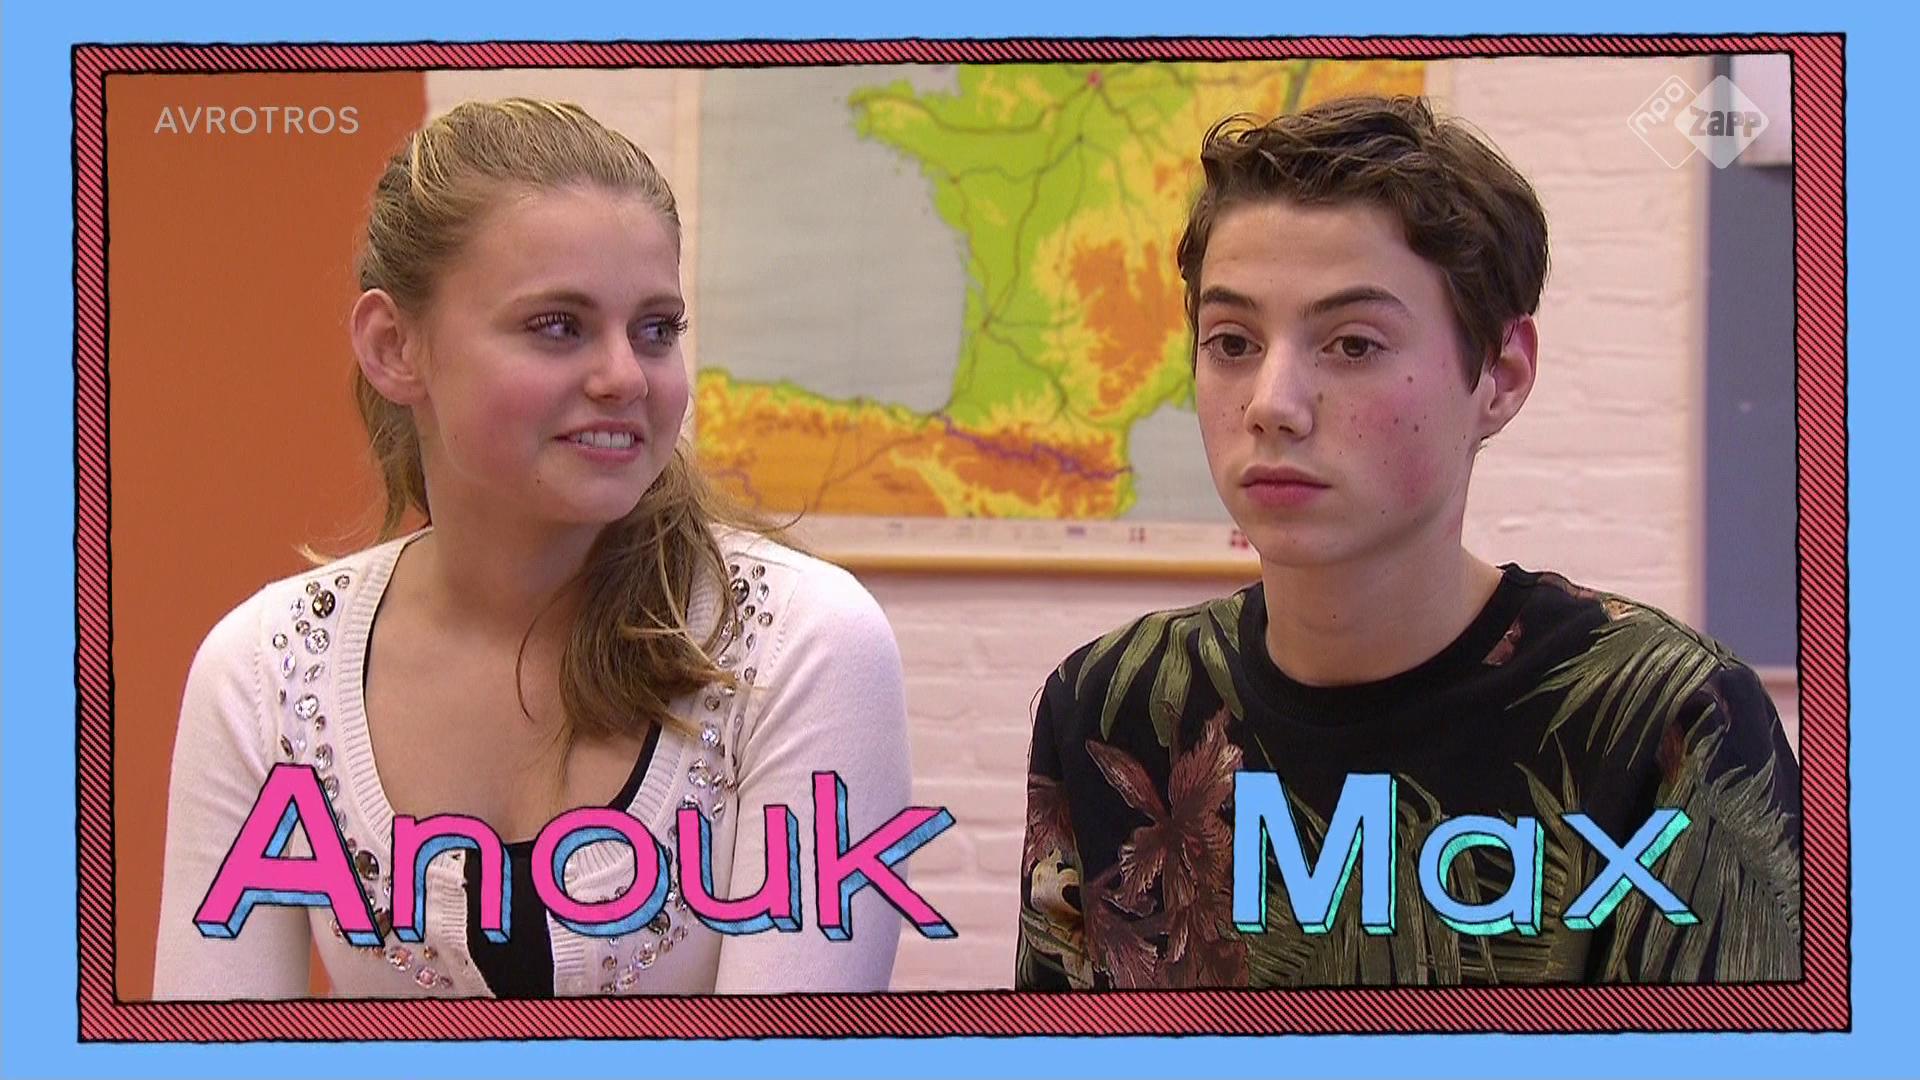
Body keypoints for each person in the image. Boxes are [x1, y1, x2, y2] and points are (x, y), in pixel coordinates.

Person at [1016, 95, 1802, 989]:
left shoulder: (1668, 720)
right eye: (1232, 342)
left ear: (1501, 375)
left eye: (1353, 345)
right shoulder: (1110, 706)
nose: (1272, 403)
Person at [155, 99, 911, 998]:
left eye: (656, 329)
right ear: (394, 347)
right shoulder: (268, 670)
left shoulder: (798, 642)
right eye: (558, 325)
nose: (624, 376)